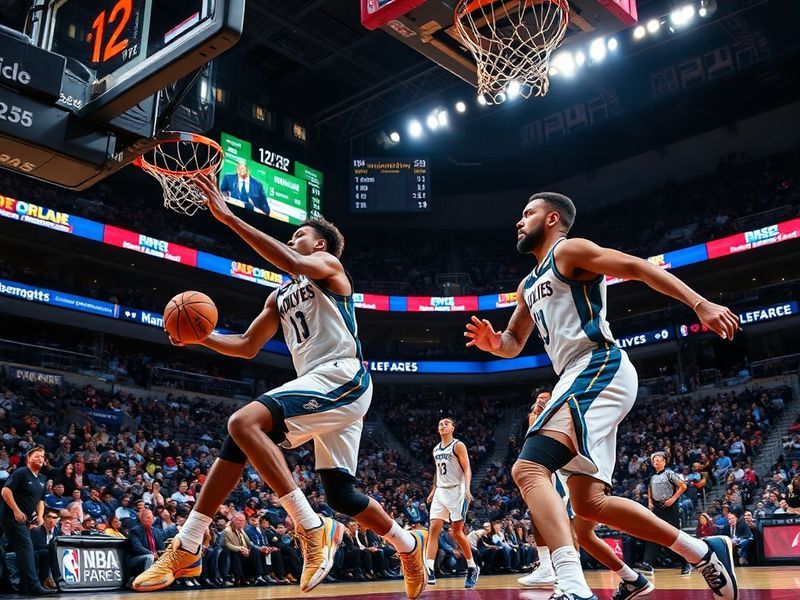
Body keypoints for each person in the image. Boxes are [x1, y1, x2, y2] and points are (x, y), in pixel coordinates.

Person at [133, 173, 427, 599]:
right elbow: (248, 346)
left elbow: (291, 262)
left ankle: (309, 527)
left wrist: (229, 218)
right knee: (341, 494)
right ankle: (408, 543)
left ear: (320, 244)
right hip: (316, 383)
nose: (294, 238)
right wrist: (201, 337)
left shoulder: (330, 269)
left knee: (243, 422)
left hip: (342, 376)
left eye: (299, 234)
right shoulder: (279, 297)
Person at [464, 192, 740, 600]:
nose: (519, 222)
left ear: (553, 218)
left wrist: (698, 303)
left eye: (528, 214)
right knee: (590, 505)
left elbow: (636, 267)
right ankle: (702, 550)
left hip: (598, 365)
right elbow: (514, 341)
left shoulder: (570, 250)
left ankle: (572, 585)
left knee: (527, 470)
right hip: (576, 377)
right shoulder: (528, 284)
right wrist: (494, 344)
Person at [518, 390, 653, 600]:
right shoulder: (543, 416)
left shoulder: (579, 404)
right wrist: (535, 416)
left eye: (545, 400)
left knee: (571, 526)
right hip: (572, 470)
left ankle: (570, 580)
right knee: (582, 533)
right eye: (537, 401)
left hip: (582, 471)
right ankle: (632, 579)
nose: (540, 403)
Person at [425, 417, 480, 588]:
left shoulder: (458, 445)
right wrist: (433, 489)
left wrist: (468, 489)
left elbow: (467, 468)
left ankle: (472, 566)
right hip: (441, 491)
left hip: (457, 490)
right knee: (434, 529)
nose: (442, 425)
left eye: (446, 423)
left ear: (453, 428)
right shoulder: (435, 449)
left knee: (457, 532)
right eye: (440, 423)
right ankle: (429, 569)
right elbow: (438, 471)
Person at [0, 446, 55, 595]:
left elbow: (40, 501)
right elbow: (5, 491)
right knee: (26, 548)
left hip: (25, 520)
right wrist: (16, 510)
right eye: (37, 456)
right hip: (11, 517)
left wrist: (40, 515)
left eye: (42, 456)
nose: (41, 458)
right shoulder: (21, 473)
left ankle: (24, 585)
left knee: (24, 550)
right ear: (28, 459)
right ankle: (33, 586)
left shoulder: (42, 479)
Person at [639, 452, 691, 575]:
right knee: (653, 535)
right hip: (657, 508)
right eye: (654, 460)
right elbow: (650, 489)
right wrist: (650, 502)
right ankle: (648, 564)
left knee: (673, 537)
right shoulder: (652, 477)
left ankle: (685, 562)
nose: (655, 461)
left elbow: (683, 486)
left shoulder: (669, 473)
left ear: (664, 461)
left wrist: (673, 499)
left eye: (658, 459)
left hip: (670, 508)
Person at [128, 509, 167, 578]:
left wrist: (161, 554)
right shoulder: (134, 531)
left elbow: (161, 547)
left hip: (155, 556)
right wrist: (152, 554)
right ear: (142, 519)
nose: (150, 520)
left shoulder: (156, 531)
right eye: (148, 518)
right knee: (150, 557)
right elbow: (137, 548)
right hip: (138, 558)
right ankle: (146, 579)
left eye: (151, 518)